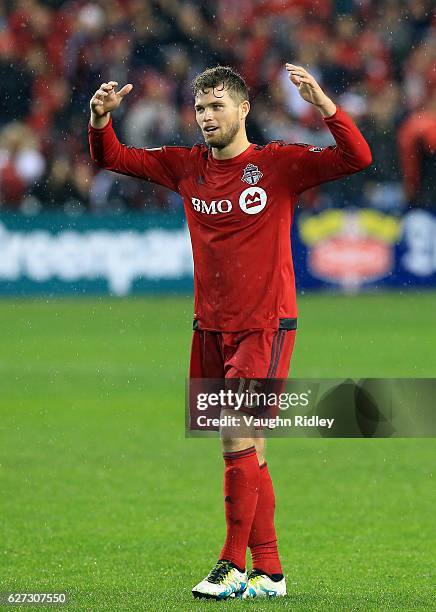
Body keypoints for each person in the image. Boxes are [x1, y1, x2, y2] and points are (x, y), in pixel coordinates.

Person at [88, 64, 371, 600]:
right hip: (210, 328)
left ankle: (231, 564)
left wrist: (324, 105)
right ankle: (271, 571)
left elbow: (359, 157)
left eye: (217, 106)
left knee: (234, 435)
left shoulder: (277, 165)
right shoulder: (185, 166)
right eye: (199, 108)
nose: (206, 117)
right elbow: (113, 158)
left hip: (264, 326)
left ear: (243, 110)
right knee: (249, 446)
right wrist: (100, 120)